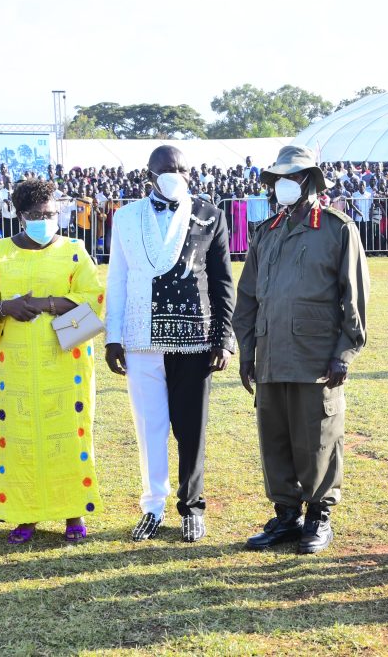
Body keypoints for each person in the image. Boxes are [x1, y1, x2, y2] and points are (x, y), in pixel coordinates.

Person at [233, 145, 369, 555]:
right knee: (274, 438)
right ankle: (287, 515)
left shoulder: (337, 228)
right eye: (278, 179)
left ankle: (318, 517)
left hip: (316, 357)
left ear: (311, 181)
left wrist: (344, 352)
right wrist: (246, 353)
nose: (284, 185)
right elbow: (248, 297)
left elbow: (354, 297)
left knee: (319, 438)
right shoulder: (266, 231)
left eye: (292, 177)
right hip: (271, 353)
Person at [105, 145, 235, 543]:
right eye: (166, 169)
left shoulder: (210, 215)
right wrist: (114, 337)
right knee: (149, 427)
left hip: (194, 338)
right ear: (149, 174)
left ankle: (192, 507)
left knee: (191, 427)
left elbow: (223, 280)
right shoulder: (125, 218)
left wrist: (223, 338)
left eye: (180, 168)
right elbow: (118, 277)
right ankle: (153, 506)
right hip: (141, 336)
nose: (173, 174)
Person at [0, 179, 106, 544]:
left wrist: (47, 304)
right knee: (18, 437)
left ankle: (73, 513)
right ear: (20, 215)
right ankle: (23, 515)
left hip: (66, 362)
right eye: (36, 214)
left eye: (51, 214)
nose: (45, 220)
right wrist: (5, 307)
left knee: (69, 433)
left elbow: (94, 298)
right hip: (15, 368)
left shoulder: (75, 251)